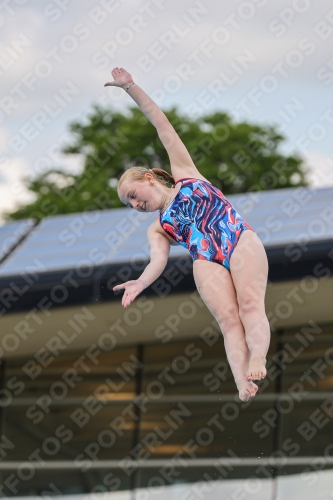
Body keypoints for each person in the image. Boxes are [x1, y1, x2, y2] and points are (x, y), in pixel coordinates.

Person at [105, 67, 271, 402]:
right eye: (129, 204)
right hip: (205, 258)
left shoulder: (185, 173)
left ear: (150, 178)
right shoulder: (158, 227)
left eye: (134, 195)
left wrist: (130, 88)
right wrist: (140, 282)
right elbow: (158, 260)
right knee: (228, 320)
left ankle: (258, 358)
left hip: (237, 238)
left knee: (250, 305)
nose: (135, 204)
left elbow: (161, 124)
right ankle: (241, 381)